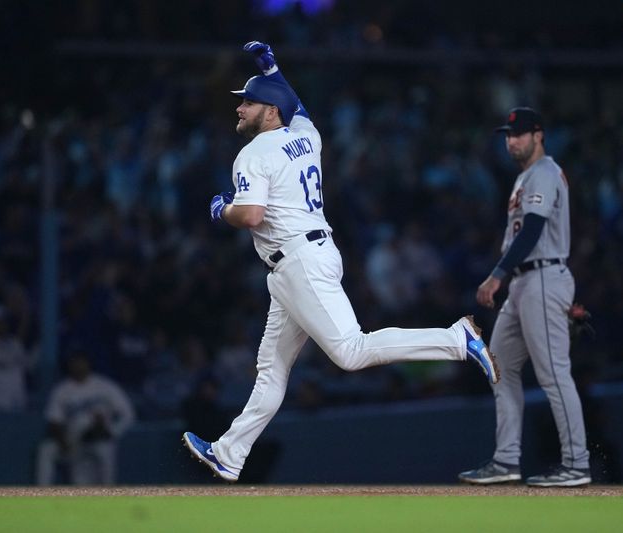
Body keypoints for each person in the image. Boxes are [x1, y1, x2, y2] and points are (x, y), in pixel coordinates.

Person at [182, 41, 499, 483]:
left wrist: (221, 210)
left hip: (298, 261)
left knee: (350, 352)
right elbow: (297, 104)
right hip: (301, 261)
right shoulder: (306, 136)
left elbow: (250, 214)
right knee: (270, 371)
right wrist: (271, 68)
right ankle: (229, 454)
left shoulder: (253, 153)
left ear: (270, 110)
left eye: (249, 101)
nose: (240, 108)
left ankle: (456, 339)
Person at [458, 108, 591, 487]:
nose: (512, 140)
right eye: (508, 134)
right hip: (525, 283)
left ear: (539, 135)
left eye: (519, 133)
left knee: (553, 373)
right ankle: (506, 459)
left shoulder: (545, 172)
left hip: (545, 276)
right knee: (499, 366)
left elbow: (532, 230)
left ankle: (577, 463)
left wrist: (496, 276)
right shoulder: (524, 178)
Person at [36, 350, 135, 485]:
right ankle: (41, 494)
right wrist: (62, 441)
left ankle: (110, 495)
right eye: (74, 362)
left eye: (81, 362)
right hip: (74, 438)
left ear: (88, 363)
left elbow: (128, 414)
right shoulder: (62, 390)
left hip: (99, 437)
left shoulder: (105, 386)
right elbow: (54, 421)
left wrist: (111, 431)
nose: (78, 366)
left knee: (104, 458)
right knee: (47, 450)